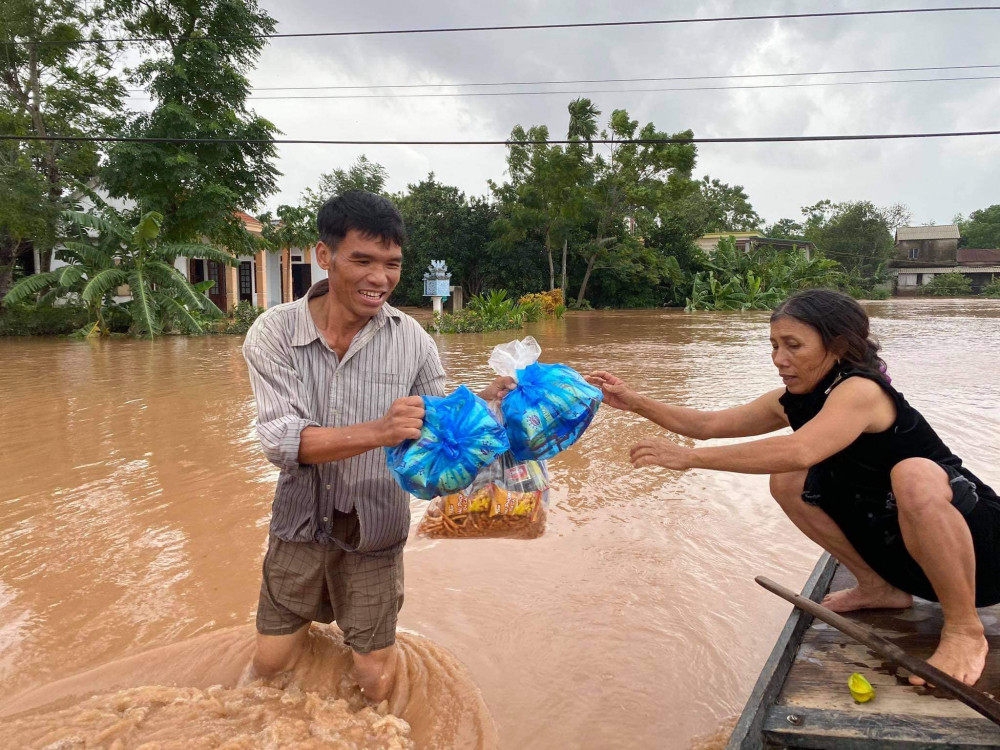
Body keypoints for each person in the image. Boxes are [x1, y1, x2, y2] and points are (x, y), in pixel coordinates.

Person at [588, 288, 1000, 687]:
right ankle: (879, 587)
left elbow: (801, 450)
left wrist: (690, 459)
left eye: (793, 346)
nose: (779, 359)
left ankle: (965, 630)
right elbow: (707, 426)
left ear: (837, 346)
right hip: (903, 547)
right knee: (787, 481)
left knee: (913, 473)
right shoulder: (796, 398)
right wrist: (636, 401)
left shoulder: (860, 390)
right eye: (773, 346)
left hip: (984, 555)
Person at [242, 190, 511, 701]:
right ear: (326, 256)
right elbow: (280, 441)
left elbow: (438, 422)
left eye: (392, 264)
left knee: (374, 677)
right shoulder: (273, 333)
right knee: (271, 665)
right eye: (362, 260)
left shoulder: (413, 339)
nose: (380, 278)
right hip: (299, 522)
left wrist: (489, 404)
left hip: (377, 526)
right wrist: (380, 431)